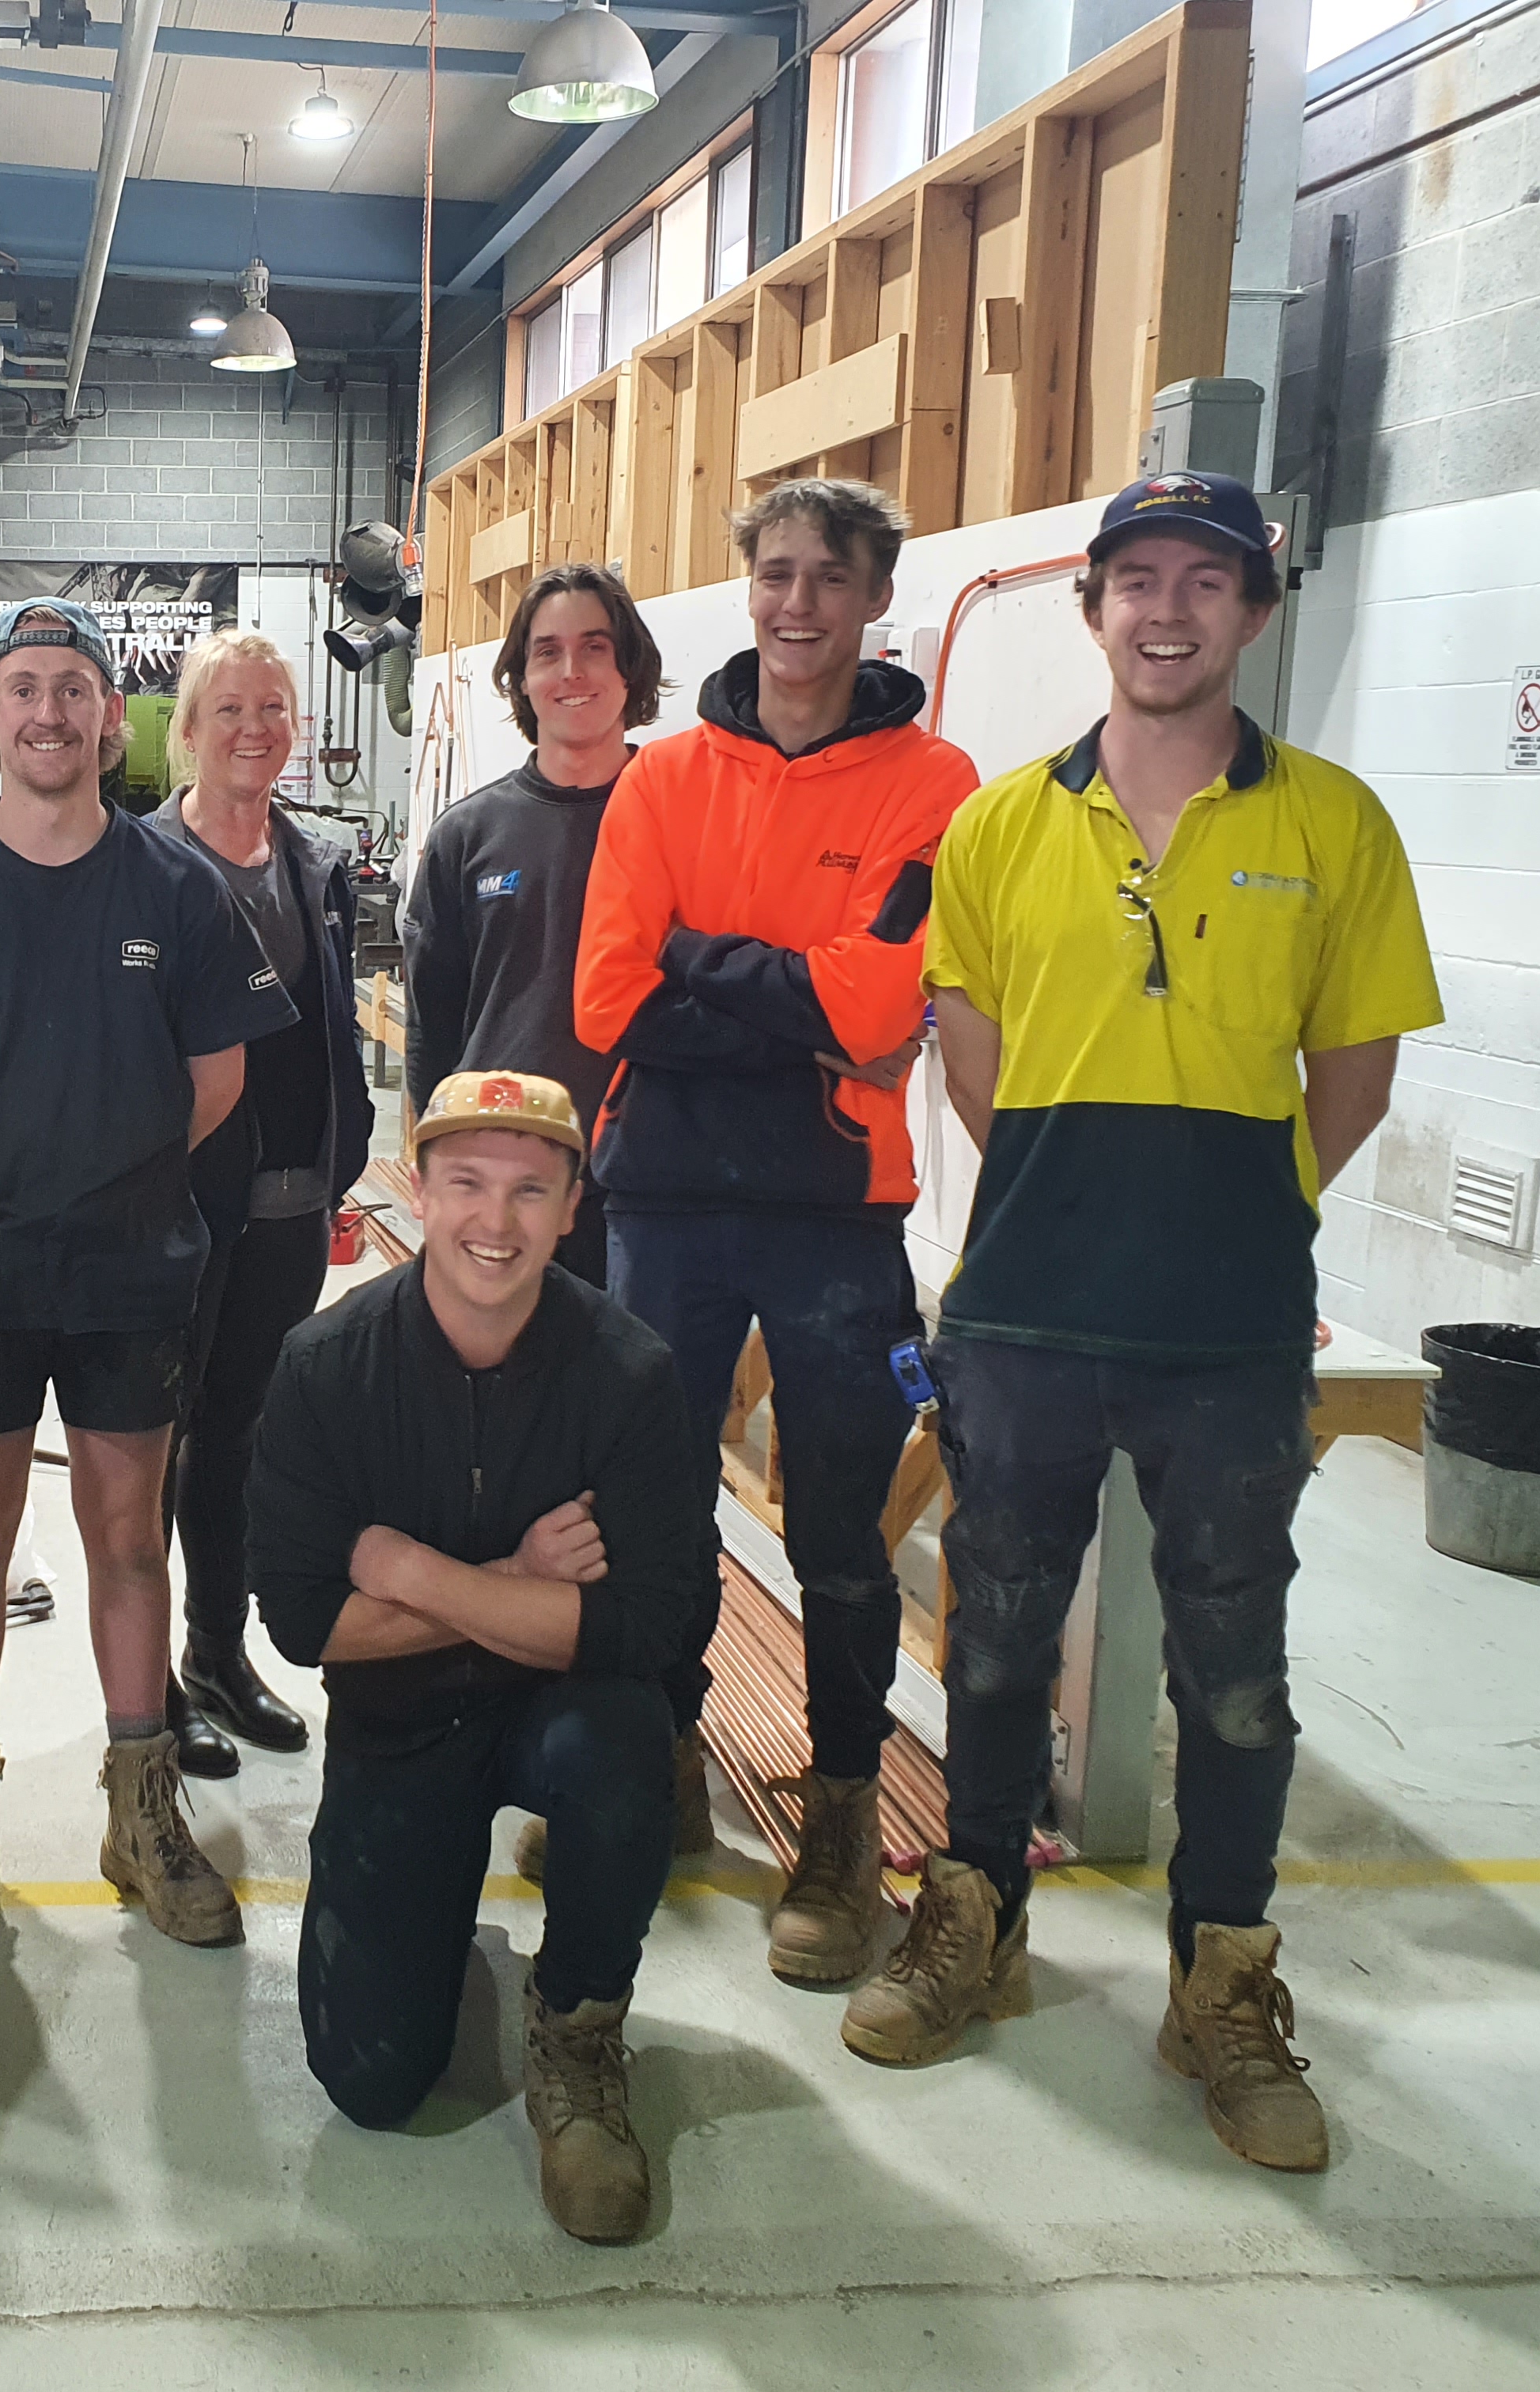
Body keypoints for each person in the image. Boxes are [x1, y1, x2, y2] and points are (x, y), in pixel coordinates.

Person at [838, 471, 1440, 2178]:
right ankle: (974, 1926)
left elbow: (1357, 1069)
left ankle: (1222, 1986)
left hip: (1234, 1330)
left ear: (1253, 613)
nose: (1167, 611)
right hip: (1027, 1313)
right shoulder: (1004, 826)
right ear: (1093, 611)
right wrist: (1068, 1205)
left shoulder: (1336, 825)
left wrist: (1238, 1215)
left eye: (1205, 583)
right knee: (1001, 1642)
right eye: (1137, 582)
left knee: (1234, 1675)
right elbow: (967, 1036)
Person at [572, 479, 978, 1988]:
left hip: (832, 1218)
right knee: (656, 1510)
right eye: (774, 574)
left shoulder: (934, 783)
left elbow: (883, 1003)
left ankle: (840, 1816)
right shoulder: (662, 778)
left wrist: (707, 964)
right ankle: (661, 1762)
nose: (794, 603)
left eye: (827, 577)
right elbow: (611, 992)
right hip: (665, 1206)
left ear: (874, 596)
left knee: (838, 1540)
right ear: (744, 589)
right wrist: (798, 1002)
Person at [0, 596, 297, 1956]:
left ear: (113, 716)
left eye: (74, 687)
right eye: (23, 688)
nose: (49, 712)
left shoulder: (177, 889)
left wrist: (108, 1168)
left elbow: (220, 1076)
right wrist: (4, 1173)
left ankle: (142, 1807)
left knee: (127, 1538)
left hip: (129, 1267)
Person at [247, 1071, 705, 2243]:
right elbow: (305, 1622)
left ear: (568, 1208)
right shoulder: (324, 1368)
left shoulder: (631, 1376)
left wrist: (406, 1569)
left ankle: (579, 2028)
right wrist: (516, 1586)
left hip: (568, 1711)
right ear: (417, 1182)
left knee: (628, 1744)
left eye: (527, 1192)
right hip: (402, 1725)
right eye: (466, 1185)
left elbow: (655, 1625)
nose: (493, 1225)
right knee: (369, 2084)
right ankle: (437, 1917)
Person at [148, 628, 374, 1773]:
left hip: (289, 1201)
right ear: (187, 730)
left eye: (274, 709)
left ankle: (216, 1657)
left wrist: (349, 1157)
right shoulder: (140, 864)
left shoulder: (316, 863)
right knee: (154, 1439)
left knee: (238, 1435)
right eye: (230, 710)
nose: (255, 729)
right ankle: (145, 1692)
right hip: (178, 1204)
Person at [403, 561, 664, 1290]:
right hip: (505, 1176)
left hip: (650, 1181)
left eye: (595, 646)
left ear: (629, 667)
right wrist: (443, 1167)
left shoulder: (679, 818)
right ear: (521, 676)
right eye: (547, 651)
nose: (571, 671)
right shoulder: (467, 835)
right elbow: (434, 1025)